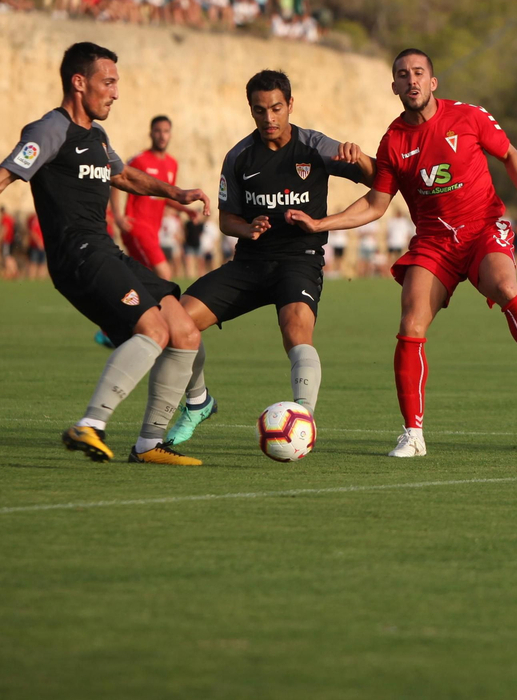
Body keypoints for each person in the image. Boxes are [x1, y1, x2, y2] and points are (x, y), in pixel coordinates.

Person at [285, 48, 517, 458]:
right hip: (434, 242)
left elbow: (510, 155)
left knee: (504, 284)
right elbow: (376, 205)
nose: (410, 80)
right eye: (402, 74)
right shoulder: (394, 140)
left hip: (483, 227)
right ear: (394, 86)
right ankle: (413, 434)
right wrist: (321, 223)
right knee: (411, 322)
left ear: (433, 82)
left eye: (418, 73)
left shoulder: (468, 116)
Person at [0, 42, 210, 465]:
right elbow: (1, 178)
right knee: (154, 330)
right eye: (108, 82)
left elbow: (125, 176)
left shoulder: (97, 136)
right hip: (77, 255)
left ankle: (150, 444)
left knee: (185, 330)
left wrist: (176, 193)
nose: (115, 92)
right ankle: (90, 425)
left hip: (105, 250)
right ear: (79, 82)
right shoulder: (49, 130)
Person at [158, 70, 376, 448]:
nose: (269, 118)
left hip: (300, 259)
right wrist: (249, 228)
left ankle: (303, 418)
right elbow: (228, 220)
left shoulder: (316, 147)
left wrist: (362, 160)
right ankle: (197, 402)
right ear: (251, 110)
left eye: (276, 108)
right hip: (250, 263)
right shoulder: (239, 157)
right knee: (172, 323)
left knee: (295, 330)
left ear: (290, 105)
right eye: (260, 110)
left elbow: (379, 180)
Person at [115, 115, 183, 281]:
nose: (162, 135)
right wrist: (117, 216)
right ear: (151, 134)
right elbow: (116, 180)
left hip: (154, 230)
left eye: (166, 131)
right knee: (164, 273)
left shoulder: (172, 164)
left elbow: (167, 196)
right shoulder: (139, 160)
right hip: (136, 226)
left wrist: (187, 210)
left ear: (170, 134)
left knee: (142, 279)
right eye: (158, 131)